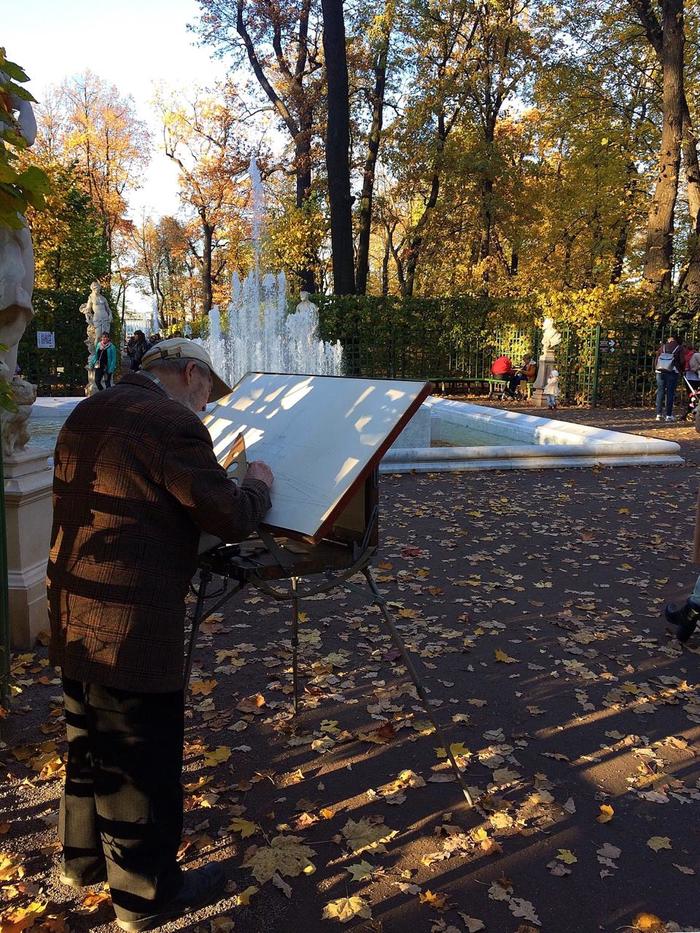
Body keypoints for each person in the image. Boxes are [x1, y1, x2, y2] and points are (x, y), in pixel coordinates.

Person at [47, 337, 274, 932]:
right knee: (143, 751)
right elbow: (229, 515)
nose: (207, 406)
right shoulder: (167, 422)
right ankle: (144, 896)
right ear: (191, 374)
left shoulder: (90, 408)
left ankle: (84, 860)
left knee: (87, 735)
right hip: (133, 620)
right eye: (208, 392)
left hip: (75, 604)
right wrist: (257, 483)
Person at [654, 336, 682, 422]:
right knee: (670, 393)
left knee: (660, 392)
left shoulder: (662, 347)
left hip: (660, 371)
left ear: (669, 340)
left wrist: (656, 368)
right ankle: (668, 415)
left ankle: (658, 414)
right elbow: (682, 360)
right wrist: (681, 370)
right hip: (672, 372)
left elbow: (657, 359)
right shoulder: (679, 348)